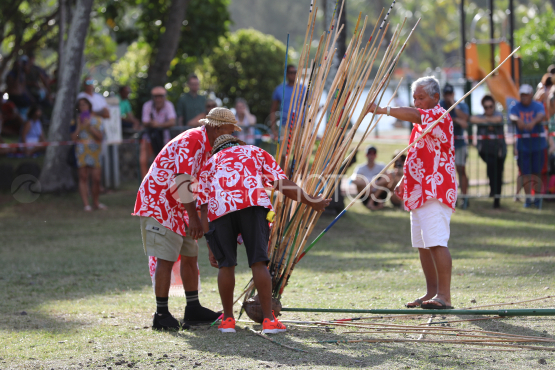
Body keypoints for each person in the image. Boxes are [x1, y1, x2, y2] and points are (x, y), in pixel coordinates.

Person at [197, 134, 330, 334]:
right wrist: (311, 201)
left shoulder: (209, 164)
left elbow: (204, 208)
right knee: (258, 262)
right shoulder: (254, 151)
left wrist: (211, 246)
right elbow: (282, 183)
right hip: (253, 205)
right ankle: (269, 321)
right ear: (238, 144)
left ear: (217, 149)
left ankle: (228, 321)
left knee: (226, 265)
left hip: (220, 211)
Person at [133, 107, 241, 331]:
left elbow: (201, 186)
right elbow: (182, 179)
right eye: (229, 131)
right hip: (160, 202)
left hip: (180, 205)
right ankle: (161, 314)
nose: (230, 136)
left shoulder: (209, 146)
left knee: (190, 254)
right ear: (216, 127)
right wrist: (193, 217)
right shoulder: (192, 139)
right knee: (166, 257)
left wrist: (202, 222)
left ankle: (192, 308)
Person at [366, 76, 457, 310]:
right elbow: (419, 154)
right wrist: (405, 179)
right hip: (418, 191)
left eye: (421, 97)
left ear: (435, 98)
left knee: (436, 241)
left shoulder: (439, 115)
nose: (417, 102)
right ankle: (432, 292)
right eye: (414, 97)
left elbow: (416, 115)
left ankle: (445, 296)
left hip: (435, 189)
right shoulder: (420, 124)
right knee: (423, 244)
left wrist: (382, 110)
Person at [509, 84, 546, 208]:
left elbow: (541, 114)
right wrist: (518, 120)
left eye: (526, 95)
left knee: (537, 172)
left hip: (538, 145)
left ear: (531, 95)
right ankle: (528, 198)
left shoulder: (537, 105)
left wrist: (533, 122)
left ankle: (537, 198)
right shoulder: (516, 106)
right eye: (522, 95)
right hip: (523, 146)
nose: (524, 97)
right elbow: (511, 115)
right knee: (525, 173)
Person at [70, 97, 106, 212]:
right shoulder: (75, 121)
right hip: (81, 151)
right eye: (80, 105)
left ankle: (96, 202)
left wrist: (90, 126)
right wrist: (80, 126)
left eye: (85, 104)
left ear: (89, 106)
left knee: (96, 178)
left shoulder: (98, 120)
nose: (83, 107)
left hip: (95, 151)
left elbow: (100, 137)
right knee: (83, 177)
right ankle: (86, 204)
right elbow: (73, 138)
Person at [470, 95, 506, 209]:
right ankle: (493, 191)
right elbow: (472, 119)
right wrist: (488, 121)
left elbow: (498, 119)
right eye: (486, 107)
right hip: (486, 151)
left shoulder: (498, 114)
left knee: (498, 174)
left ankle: (497, 199)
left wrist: (485, 121)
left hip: (500, 151)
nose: (489, 109)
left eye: (490, 107)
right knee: (492, 170)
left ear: (494, 106)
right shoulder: (481, 116)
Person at [440, 83, 470, 209]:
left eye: (450, 94)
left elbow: (466, 121)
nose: (448, 97)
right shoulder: (440, 105)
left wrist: (454, 106)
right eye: (446, 94)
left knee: (461, 170)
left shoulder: (461, 105)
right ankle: (450, 197)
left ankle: (464, 198)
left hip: (459, 144)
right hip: (444, 146)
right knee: (446, 173)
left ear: (453, 94)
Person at [140, 86, 176, 179]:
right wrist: (151, 124)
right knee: (143, 160)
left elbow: (172, 121)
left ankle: (165, 183)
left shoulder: (168, 105)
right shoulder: (147, 105)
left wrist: (159, 125)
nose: (158, 99)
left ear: (164, 97)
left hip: (164, 138)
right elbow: (145, 121)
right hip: (149, 138)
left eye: (160, 96)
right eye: (156, 97)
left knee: (166, 162)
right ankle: (145, 184)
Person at [270, 65, 305, 139]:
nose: (293, 75)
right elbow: (273, 110)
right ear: (286, 74)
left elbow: (311, 108)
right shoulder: (279, 89)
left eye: (295, 72)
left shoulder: (304, 89)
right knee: (284, 150)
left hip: (301, 127)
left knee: (300, 150)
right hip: (284, 127)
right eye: (291, 72)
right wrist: (273, 129)